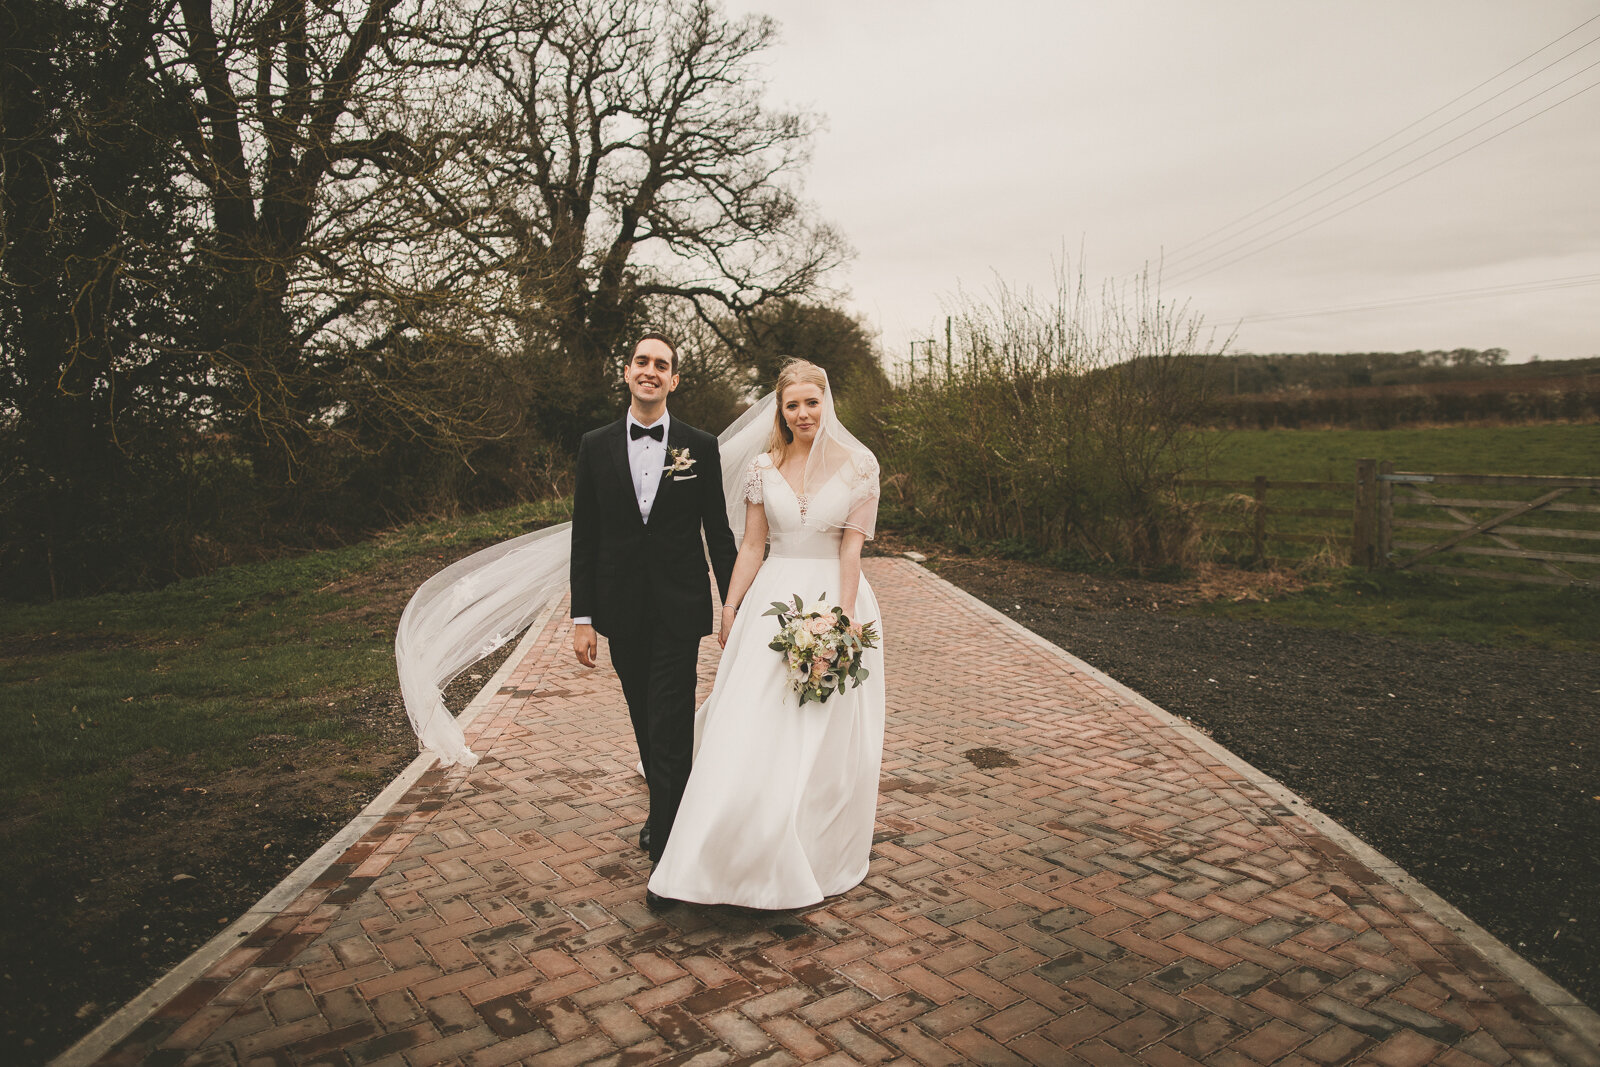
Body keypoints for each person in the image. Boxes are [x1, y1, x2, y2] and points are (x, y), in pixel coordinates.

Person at [647, 359, 885, 910]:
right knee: (751, 723)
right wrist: (731, 607)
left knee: (819, 732)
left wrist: (840, 624)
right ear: (780, 411)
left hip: (835, 598)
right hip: (771, 603)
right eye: (792, 405)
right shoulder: (763, 466)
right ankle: (724, 853)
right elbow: (752, 545)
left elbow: (852, 548)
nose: (803, 413)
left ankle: (807, 845)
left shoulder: (860, 465)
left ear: (828, 402)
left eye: (812, 402)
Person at [568, 332, 738, 898]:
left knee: (668, 721)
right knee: (646, 719)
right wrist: (582, 616)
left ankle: (668, 862)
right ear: (627, 372)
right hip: (619, 609)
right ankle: (668, 806)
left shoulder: (700, 446)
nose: (650, 371)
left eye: (661, 365)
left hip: (678, 608)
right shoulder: (594, 445)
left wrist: (737, 601)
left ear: (674, 380)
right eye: (641, 361)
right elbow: (585, 537)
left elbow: (718, 530)